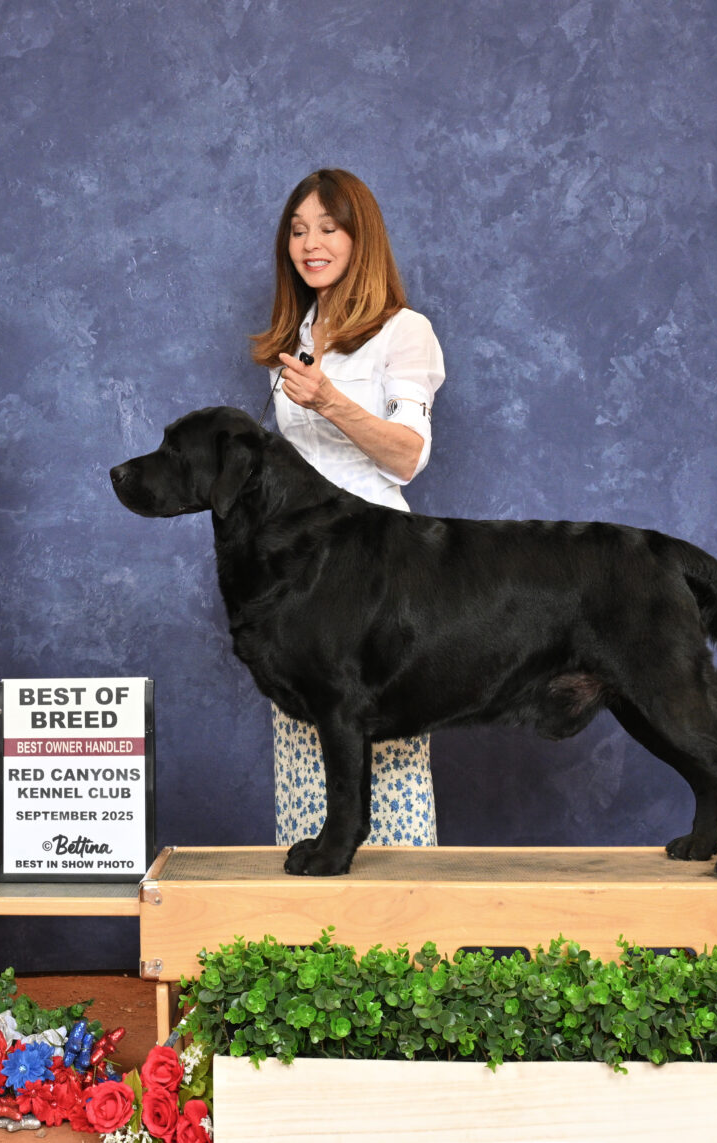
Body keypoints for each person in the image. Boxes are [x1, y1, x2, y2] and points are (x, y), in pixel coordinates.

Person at [249, 168, 446, 848]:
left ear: (361, 238)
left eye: (328, 228)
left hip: (376, 568)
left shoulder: (404, 331)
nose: (311, 244)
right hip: (297, 574)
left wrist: (330, 399)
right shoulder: (296, 334)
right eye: (298, 231)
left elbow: (408, 456)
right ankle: (313, 923)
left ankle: (400, 933)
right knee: (305, 737)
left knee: (381, 741)